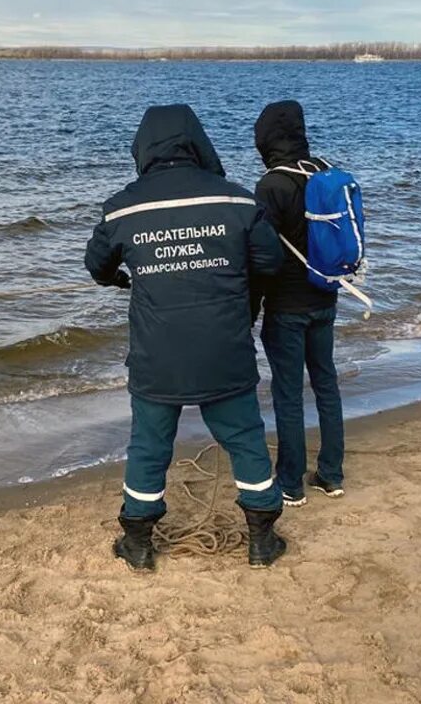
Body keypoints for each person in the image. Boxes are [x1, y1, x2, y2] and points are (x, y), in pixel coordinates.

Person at [85, 104, 288, 571]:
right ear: (197, 142)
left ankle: (137, 542)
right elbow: (270, 264)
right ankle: (261, 541)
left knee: (149, 444)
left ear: (144, 147)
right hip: (225, 350)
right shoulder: (237, 201)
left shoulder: (123, 206)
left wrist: (123, 277)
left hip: (158, 355)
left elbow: (96, 265)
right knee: (244, 439)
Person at [252, 101, 346, 507]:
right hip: (326, 295)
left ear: (266, 138)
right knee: (326, 383)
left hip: (287, 306)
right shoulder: (324, 170)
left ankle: (290, 483)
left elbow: (262, 255)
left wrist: (248, 309)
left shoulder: (272, 184)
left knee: (288, 394)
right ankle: (331, 474)